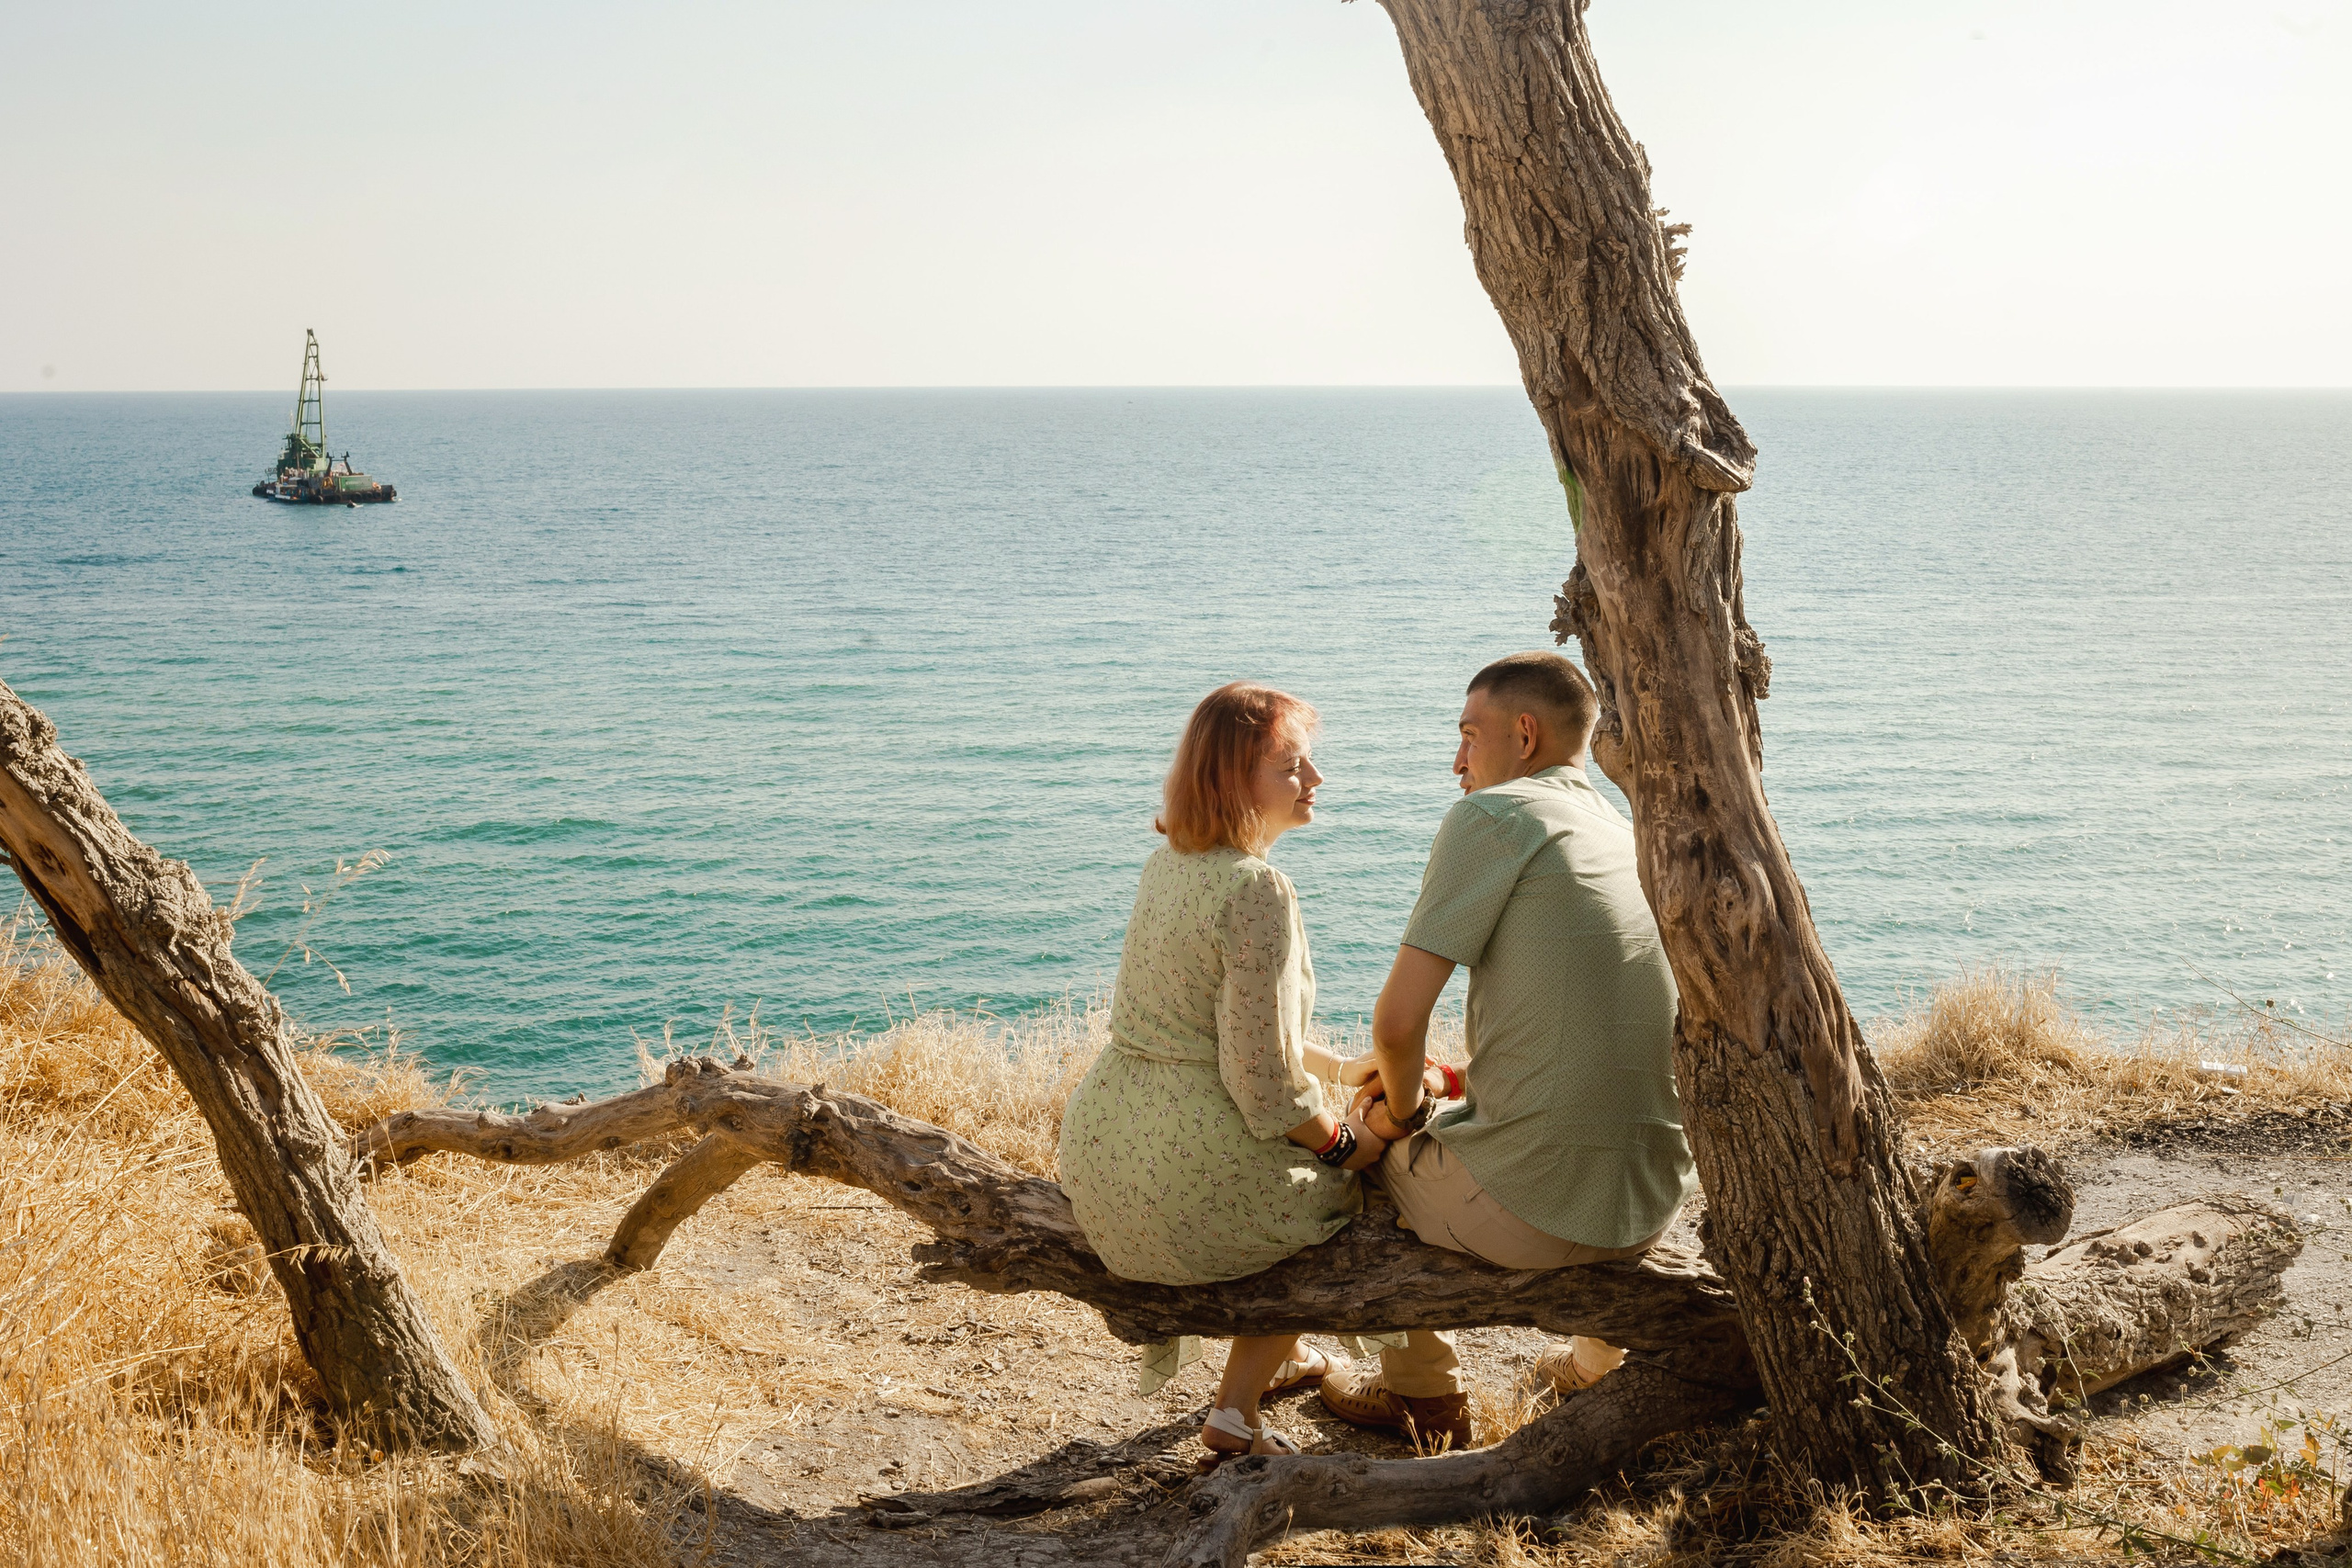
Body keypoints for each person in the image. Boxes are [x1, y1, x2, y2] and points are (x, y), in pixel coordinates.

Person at [1317, 650, 1698, 1451]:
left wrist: (1405, 1109)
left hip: (1536, 1214)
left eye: (1467, 735)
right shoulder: (1618, 827)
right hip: (1644, 1206)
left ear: (1523, 735)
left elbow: (1395, 1024)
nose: (1456, 761)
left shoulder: (1493, 818)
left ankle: (1422, 1394)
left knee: (1365, 1150)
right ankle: (1597, 1358)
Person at [1057, 682, 1387, 1461]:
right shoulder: (1256, 888)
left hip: (1103, 1158)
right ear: (1233, 780)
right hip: (1183, 1176)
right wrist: (1343, 1143)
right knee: (1344, 1196)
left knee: (1285, 1169)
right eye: (1291, 766)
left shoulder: (1166, 864)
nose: (1315, 780)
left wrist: (1337, 1066)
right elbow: (1261, 1083)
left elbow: (1202, 1028)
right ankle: (1235, 1413)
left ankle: (1287, 1356)